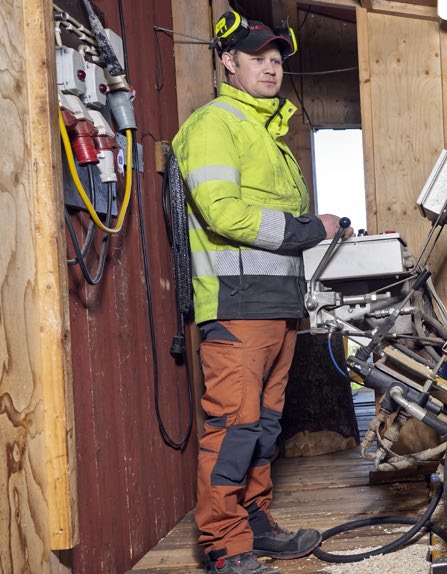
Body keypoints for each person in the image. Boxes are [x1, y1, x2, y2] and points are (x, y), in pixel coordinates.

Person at [172, 13, 350, 574]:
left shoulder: (268, 135)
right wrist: (309, 229)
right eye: (257, 58)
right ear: (229, 61)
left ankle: (255, 523)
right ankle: (225, 546)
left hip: (277, 308)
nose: (271, 67)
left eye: (276, 59)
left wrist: (320, 231)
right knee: (234, 428)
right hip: (236, 304)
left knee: (265, 427)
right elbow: (223, 213)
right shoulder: (214, 124)